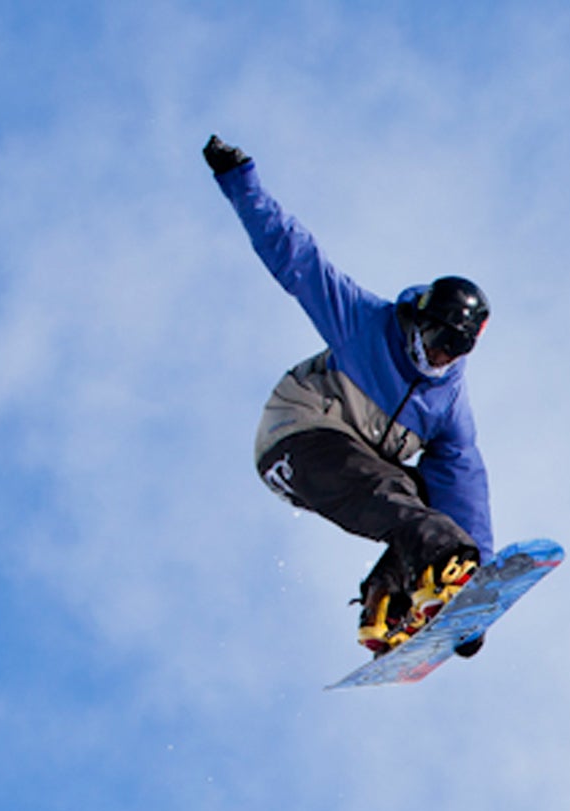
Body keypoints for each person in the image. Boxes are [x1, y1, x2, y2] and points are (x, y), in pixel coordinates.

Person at [203, 134, 496, 655]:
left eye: (452, 351)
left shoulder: (448, 405)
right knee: (392, 500)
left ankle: (393, 602)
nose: (435, 357)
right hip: (297, 437)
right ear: (419, 317)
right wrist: (240, 182)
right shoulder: (365, 324)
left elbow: (464, 489)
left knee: (431, 505)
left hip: (356, 462)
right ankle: (436, 565)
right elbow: (296, 258)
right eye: (433, 340)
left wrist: (477, 590)